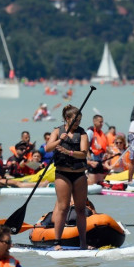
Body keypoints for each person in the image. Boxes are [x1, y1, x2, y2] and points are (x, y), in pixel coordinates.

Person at [45, 105, 90, 249]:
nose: (78, 123)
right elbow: (48, 148)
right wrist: (60, 140)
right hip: (62, 174)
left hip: (79, 174)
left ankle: (83, 242)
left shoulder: (82, 133)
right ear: (67, 119)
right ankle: (57, 243)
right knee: (63, 208)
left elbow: (83, 153)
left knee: (81, 210)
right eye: (75, 120)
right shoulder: (57, 131)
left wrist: (68, 152)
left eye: (80, 120)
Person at [86, 114, 110, 185]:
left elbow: (103, 148)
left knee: (100, 183)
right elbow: (85, 147)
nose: (102, 124)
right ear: (94, 122)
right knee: (92, 183)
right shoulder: (90, 132)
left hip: (100, 161)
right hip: (92, 161)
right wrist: (90, 160)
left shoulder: (101, 134)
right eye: (100, 122)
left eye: (102, 122)